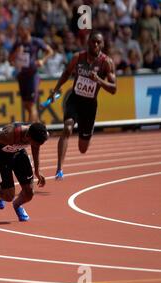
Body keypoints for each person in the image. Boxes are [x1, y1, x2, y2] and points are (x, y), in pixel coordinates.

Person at [48, 31, 117, 180]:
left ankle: (87, 133)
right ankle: (59, 169)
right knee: (67, 128)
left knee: (82, 148)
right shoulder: (77, 58)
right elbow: (66, 73)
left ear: (103, 45)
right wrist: (55, 90)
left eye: (99, 42)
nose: (96, 45)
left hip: (90, 106)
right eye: (93, 42)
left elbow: (113, 89)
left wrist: (98, 80)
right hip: (75, 100)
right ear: (88, 43)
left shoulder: (106, 63)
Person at [0, 122, 49, 221]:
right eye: (34, 143)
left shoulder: (39, 135)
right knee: (8, 196)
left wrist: (37, 171)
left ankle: (17, 205)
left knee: (29, 193)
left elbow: (36, 147)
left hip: (19, 153)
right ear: (28, 136)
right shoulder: (9, 135)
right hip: (2, 156)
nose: (36, 145)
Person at [10, 20, 53, 123]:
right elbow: (10, 59)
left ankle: (29, 131)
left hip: (32, 75)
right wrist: (16, 53)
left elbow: (50, 51)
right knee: (26, 105)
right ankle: (38, 130)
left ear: (28, 30)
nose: (19, 32)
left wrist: (42, 60)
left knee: (31, 105)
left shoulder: (36, 41)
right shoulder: (18, 43)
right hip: (21, 76)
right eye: (19, 30)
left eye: (21, 30)